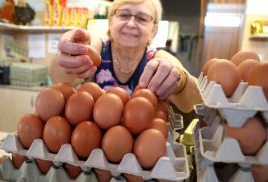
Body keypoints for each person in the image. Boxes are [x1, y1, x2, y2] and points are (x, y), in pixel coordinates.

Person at [50, 0, 202, 113]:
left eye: (142, 18)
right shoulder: (98, 49)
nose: (131, 23)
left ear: (154, 30)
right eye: (123, 14)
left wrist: (180, 81)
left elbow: (194, 100)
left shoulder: (157, 58)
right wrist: (70, 53)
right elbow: (60, 80)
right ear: (110, 22)